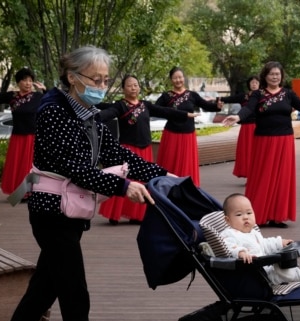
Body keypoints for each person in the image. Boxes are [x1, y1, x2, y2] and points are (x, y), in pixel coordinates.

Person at [0, 46, 172, 321]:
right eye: (95, 79)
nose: (102, 85)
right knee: (75, 295)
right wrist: (124, 187)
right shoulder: (54, 112)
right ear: (72, 77)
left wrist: (164, 176)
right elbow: (80, 171)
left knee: (41, 292)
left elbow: (115, 154)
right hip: (52, 212)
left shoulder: (86, 111)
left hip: (65, 213)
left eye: (105, 79)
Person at [223, 61, 300, 227]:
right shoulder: (258, 95)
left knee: (282, 177)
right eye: (271, 74)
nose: (274, 77)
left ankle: (278, 216)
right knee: (261, 177)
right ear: (265, 76)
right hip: (263, 141)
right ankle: (259, 215)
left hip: (284, 141)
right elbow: (249, 109)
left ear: (281, 76)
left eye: (277, 74)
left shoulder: (288, 94)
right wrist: (238, 117)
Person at [98, 74, 198, 225]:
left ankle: (137, 215)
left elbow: (165, 111)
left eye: (136, 85)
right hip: (127, 149)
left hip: (145, 148)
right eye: (130, 85)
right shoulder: (120, 106)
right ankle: (114, 214)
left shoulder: (145, 105)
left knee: (143, 181)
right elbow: (106, 114)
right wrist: (90, 119)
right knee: (124, 180)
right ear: (124, 89)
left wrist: (186, 115)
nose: (133, 87)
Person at [220, 193, 300, 284]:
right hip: (256, 275)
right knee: (285, 271)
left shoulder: (253, 232)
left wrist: (279, 243)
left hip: (267, 268)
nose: (245, 217)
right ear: (228, 220)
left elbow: (264, 244)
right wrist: (240, 253)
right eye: (239, 214)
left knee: (285, 263)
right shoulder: (228, 234)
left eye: (249, 213)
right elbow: (228, 246)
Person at [155, 67, 222, 186]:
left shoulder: (192, 95)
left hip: (188, 136)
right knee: (170, 161)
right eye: (175, 78)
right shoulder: (166, 96)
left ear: (184, 78)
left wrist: (217, 106)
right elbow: (156, 110)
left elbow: (206, 106)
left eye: (180, 77)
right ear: (171, 80)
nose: (178, 80)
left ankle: (187, 188)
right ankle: (167, 186)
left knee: (187, 163)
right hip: (171, 135)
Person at [218, 75, 260, 179]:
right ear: (249, 84)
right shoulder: (244, 96)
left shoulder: (263, 96)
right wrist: (217, 99)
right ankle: (249, 174)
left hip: (258, 127)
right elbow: (230, 98)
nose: (254, 84)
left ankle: (257, 175)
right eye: (252, 82)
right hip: (246, 128)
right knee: (246, 152)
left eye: (256, 82)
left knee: (257, 152)